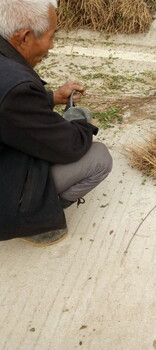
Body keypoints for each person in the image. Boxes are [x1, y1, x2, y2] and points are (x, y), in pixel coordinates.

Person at [0, 0, 113, 246]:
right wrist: (80, 119)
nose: (51, 47)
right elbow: (69, 146)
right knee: (99, 158)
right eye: (51, 37)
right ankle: (35, 220)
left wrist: (51, 97)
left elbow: (9, 111)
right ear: (24, 37)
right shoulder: (16, 89)